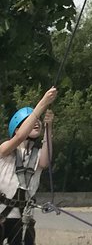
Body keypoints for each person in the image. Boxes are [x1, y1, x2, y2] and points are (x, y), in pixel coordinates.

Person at [0, 87, 57, 245]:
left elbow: (45, 162)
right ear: (17, 128)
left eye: (37, 122)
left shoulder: (37, 155)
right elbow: (19, 138)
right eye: (30, 121)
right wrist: (43, 103)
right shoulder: (6, 150)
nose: (36, 123)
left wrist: (48, 127)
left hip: (23, 219)